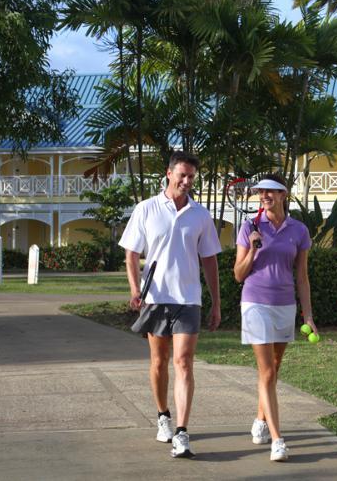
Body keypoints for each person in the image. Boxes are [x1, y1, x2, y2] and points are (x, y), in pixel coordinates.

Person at [119, 151, 222, 459]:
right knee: (159, 362)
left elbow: (210, 261)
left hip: (189, 299)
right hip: (156, 298)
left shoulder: (200, 215)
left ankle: (182, 432)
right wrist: (135, 288)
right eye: (182, 175)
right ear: (168, 173)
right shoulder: (146, 209)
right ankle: (163, 415)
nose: (187, 181)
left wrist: (216, 303)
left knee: (184, 362)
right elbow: (131, 254)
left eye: (191, 176)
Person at [233, 174, 317, 462]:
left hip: (285, 304)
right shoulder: (250, 227)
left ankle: (260, 419)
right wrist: (254, 249)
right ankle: (277, 439)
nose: (264, 196)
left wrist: (308, 314)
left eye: (271, 192)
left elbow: (302, 278)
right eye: (261, 192)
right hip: (255, 303)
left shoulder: (299, 230)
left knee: (275, 367)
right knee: (267, 371)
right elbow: (238, 274)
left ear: (284, 194)